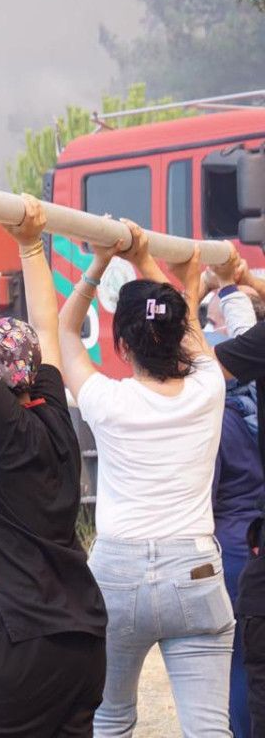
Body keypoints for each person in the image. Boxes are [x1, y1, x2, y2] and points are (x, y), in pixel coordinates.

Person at [0, 185, 107, 735]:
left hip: (17, 637)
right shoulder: (54, 414)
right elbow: (48, 333)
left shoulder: (6, 431)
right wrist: (31, 246)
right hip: (80, 641)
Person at [61, 216, 231, 735]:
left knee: (110, 719)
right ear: (181, 335)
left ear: (123, 347)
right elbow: (191, 337)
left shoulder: (107, 401)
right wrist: (144, 261)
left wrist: (98, 264)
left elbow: (65, 331)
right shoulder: (208, 388)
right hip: (194, 568)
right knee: (209, 729)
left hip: (118, 570)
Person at [209, 256, 265, 735]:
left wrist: (201, 285)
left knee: (244, 665)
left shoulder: (216, 419)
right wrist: (235, 287)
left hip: (236, 547)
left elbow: (192, 367)